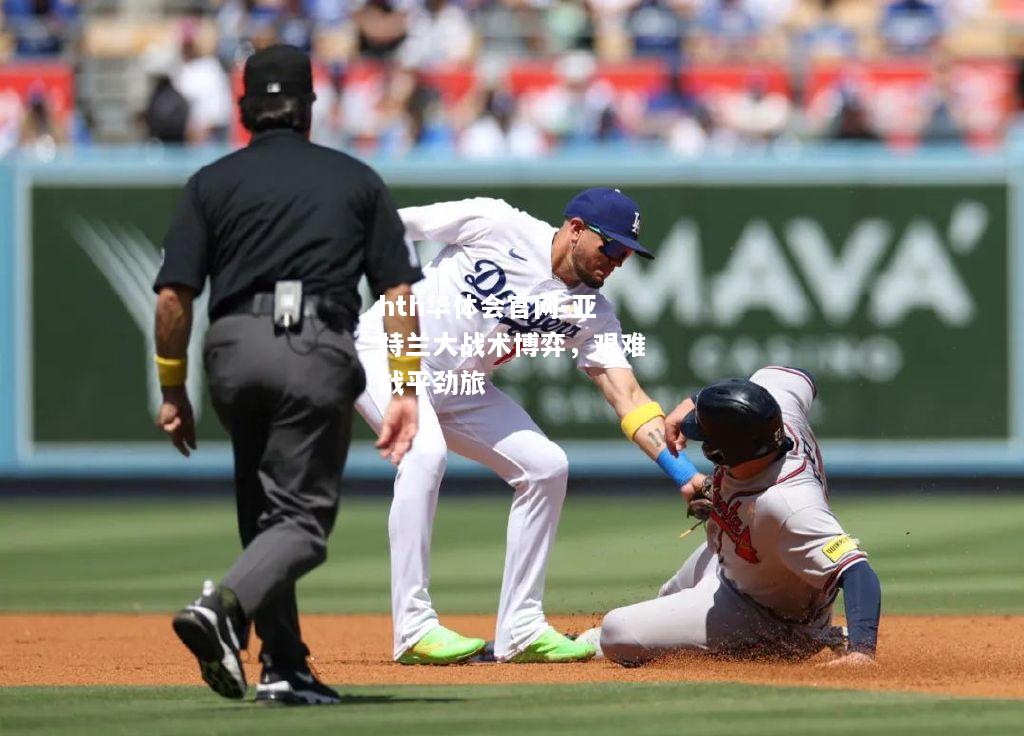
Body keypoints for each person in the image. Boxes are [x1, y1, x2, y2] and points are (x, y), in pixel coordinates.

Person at [152, 44, 422, 705]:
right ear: (309, 108)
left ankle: (284, 666)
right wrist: (408, 388)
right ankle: (224, 610)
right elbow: (399, 297)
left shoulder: (210, 182)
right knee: (301, 523)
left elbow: (171, 299)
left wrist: (172, 389)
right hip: (312, 348)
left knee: (264, 515)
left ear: (244, 110)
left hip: (232, 348)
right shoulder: (356, 180)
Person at [353, 189, 702, 665]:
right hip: (389, 355)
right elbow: (391, 224)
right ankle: (413, 629)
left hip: (462, 386)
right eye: (612, 247)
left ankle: (520, 629)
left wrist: (685, 476)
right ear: (576, 229)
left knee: (546, 466)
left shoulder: (592, 312)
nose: (618, 261)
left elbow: (630, 398)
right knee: (425, 452)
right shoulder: (495, 223)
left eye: (627, 254)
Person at [586, 366, 882, 666]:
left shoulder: (790, 506)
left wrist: (862, 651)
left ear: (720, 453)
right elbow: (794, 374)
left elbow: (857, 571)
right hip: (735, 562)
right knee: (667, 596)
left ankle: (797, 643)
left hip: (765, 615)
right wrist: (693, 403)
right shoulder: (776, 410)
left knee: (617, 631)